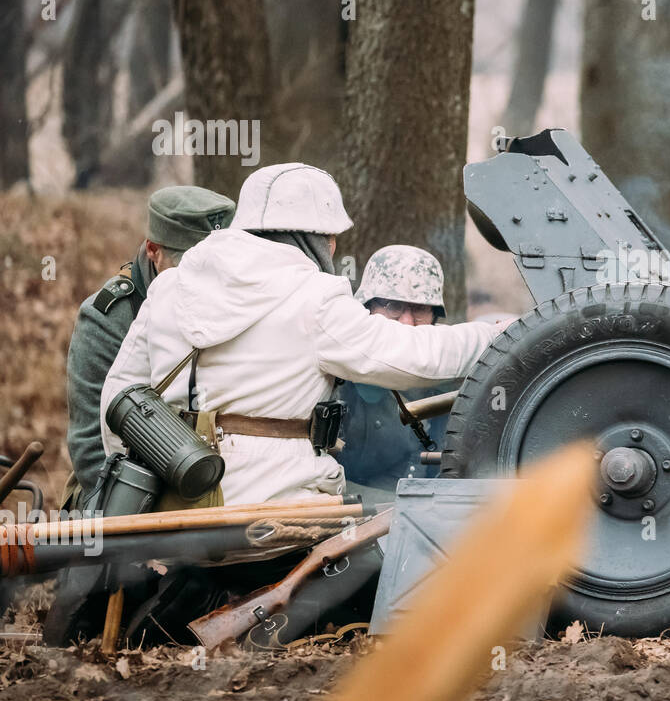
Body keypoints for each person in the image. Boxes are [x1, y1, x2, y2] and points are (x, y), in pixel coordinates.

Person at [98, 163, 499, 506]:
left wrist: (144, 492)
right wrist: (502, 334)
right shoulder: (317, 298)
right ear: (319, 238)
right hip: (279, 508)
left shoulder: (169, 285)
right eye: (330, 238)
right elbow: (415, 356)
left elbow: (117, 397)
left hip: (175, 503)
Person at [64, 185, 235, 504]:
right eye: (188, 264)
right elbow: (92, 445)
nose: (202, 277)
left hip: (204, 481)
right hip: (117, 489)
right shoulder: (110, 316)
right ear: (153, 250)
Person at [337, 245, 455, 497]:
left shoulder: (447, 383)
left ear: (435, 316)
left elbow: (438, 473)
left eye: (420, 309)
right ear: (367, 308)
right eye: (393, 306)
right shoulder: (333, 367)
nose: (407, 322)